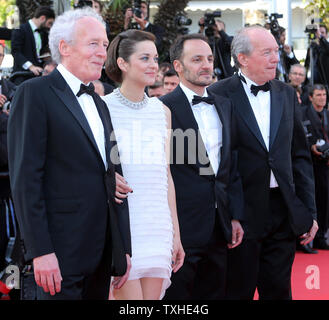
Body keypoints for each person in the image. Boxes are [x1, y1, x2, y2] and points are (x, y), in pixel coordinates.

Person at [7, 7, 131, 300]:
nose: (103, 52)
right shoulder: (34, 93)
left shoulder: (100, 103)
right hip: (58, 255)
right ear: (64, 47)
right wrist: (41, 251)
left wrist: (122, 248)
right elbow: (26, 180)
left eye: (104, 44)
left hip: (100, 254)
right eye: (93, 44)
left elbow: (114, 177)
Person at [208, 26, 318, 300]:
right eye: (267, 52)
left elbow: (300, 157)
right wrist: (231, 213)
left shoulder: (285, 93)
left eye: (276, 52)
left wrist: (310, 211)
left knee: (279, 290)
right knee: (236, 291)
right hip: (241, 213)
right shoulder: (217, 94)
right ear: (243, 58)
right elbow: (217, 160)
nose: (275, 58)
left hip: (282, 209)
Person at [160, 33, 244, 300]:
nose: (206, 65)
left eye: (209, 58)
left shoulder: (224, 105)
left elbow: (231, 163)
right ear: (178, 66)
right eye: (197, 59)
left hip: (219, 226)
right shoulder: (162, 108)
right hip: (181, 228)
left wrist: (234, 214)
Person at [103, 29, 184, 300]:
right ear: (123, 63)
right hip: (124, 226)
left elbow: (167, 176)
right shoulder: (103, 109)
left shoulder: (163, 112)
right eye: (145, 58)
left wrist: (176, 233)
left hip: (157, 225)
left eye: (155, 58)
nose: (154, 65)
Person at [301, 84, 329, 250]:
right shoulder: (303, 113)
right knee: (309, 201)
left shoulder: (327, 114)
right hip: (309, 165)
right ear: (311, 97)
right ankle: (305, 240)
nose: (322, 98)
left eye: (324, 95)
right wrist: (312, 146)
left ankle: (321, 237)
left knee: (325, 201)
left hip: (325, 167)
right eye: (318, 95)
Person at [11, 6, 55, 76]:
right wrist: (31, 67)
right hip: (22, 75)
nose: (49, 27)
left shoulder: (43, 33)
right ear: (42, 18)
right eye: (49, 23)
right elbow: (15, 52)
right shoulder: (20, 29)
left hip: (39, 74)